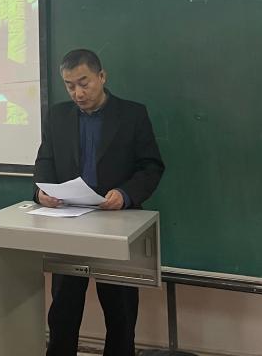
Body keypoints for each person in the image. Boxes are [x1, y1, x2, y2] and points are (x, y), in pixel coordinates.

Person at [34, 48, 165, 356]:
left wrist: (125, 194)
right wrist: (40, 192)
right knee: (63, 310)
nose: (78, 93)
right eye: (69, 86)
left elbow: (151, 166)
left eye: (84, 83)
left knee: (120, 312)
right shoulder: (57, 116)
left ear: (102, 76)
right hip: (68, 223)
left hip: (116, 224)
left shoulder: (132, 115)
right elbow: (45, 160)